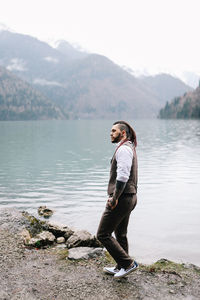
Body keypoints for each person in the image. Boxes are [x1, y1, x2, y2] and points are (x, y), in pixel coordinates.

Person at [97, 120, 138, 279]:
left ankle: (128, 264)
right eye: (110, 131)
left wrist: (114, 199)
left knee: (102, 234)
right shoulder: (128, 148)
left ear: (123, 133)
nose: (110, 133)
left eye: (114, 131)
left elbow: (122, 176)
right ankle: (121, 266)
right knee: (120, 233)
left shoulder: (124, 150)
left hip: (122, 198)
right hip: (130, 196)